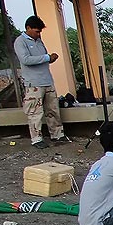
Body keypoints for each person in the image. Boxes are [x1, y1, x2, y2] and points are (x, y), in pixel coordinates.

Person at [13, 16, 69, 149]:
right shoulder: (20, 42)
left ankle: (57, 134)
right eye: (36, 31)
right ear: (28, 28)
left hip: (47, 80)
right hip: (33, 83)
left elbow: (42, 59)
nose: (39, 34)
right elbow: (26, 59)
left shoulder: (39, 41)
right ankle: (36, 138)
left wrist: (50, 58)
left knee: (53, 109)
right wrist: (46, 57)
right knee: (35, 112)